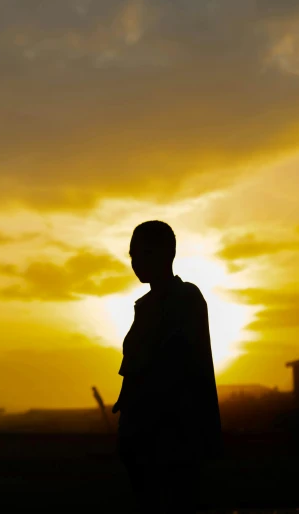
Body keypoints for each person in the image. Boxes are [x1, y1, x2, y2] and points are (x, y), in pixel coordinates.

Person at [112, 220, 222, 513]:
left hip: (171, 434)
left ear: (167, 253)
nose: (136, 263)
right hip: (143, 433)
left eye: (144, 254)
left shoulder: (185, 299)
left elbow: (182, 368)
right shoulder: (146, 306)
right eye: (132, 255)